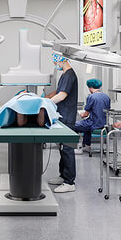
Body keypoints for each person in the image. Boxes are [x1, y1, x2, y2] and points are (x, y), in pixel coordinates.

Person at [45, 52, 79, 193]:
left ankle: (69, 182)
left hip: (68, 117)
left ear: (61, 59)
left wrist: (45, 103)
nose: (55, 65)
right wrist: (45, 97)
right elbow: (57, 91)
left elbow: (62, 95)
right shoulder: (65, 75)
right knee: (62, 148)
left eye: (55, 62)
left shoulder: (70, 75)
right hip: (63, 116)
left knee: (68, 149)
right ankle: (63, 175)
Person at [73, 78, 111, 154]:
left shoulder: (91, 97)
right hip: (103, 124)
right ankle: (87, 146)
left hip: (94, 123)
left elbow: (85, 114)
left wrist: (81, 114)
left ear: (90, 88)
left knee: (73, 125)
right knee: (85, 126)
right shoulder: (106, 97)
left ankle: (76, 148)